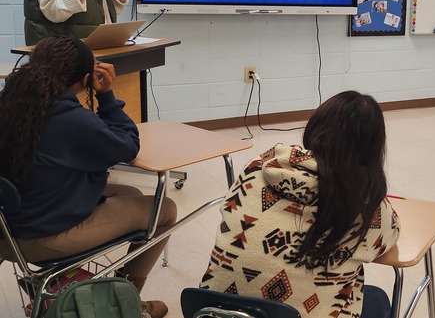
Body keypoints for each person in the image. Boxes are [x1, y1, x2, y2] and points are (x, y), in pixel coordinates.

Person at [0, 36, 174, 318]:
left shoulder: (13, 104)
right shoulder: (71, 119)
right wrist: (106, 95)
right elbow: (128, 146)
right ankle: (123, 303)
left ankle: (64, 284)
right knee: (164, 209)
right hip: (39, 236)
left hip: (8, 226)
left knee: (129, 194)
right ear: (85, 79)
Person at [200, 91, 401, 318]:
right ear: (372, 148)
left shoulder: (259, 166)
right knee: (377, 299)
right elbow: (391, 234)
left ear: (315, 127)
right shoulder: (368, 206)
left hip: (214, 312)